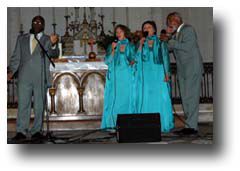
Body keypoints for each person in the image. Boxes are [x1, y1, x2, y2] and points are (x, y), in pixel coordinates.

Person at [7, 16, 59, 142]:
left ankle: (36, 130)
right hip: (24, 76)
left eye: (39, 22)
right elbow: (16, 57)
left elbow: (54, 53)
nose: (36, 24)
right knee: (23, 105)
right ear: (31, 24)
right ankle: (21, 131)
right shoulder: (22, 39)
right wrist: (10, 72)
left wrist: (52, 44)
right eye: (34, 22)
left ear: (43, 25)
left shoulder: (48, 39)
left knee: (39, 105)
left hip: (40, 76)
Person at [163, 12, 204, 135]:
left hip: (192, 68)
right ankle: (189, 126)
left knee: (191, 97)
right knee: (185, 97)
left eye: (170, 21)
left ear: (177, 19)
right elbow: (169, 48)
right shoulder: (176, 34)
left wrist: (170, 39)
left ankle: (192, 126)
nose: (169, 24)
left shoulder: (188, 29)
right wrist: (167, 38)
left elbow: (188, 46)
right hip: (183, 69)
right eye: (168, 22)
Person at [136, 20, 174, 133]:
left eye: (149, 27)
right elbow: (136, 58)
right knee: (147, 97)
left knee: (160, 97)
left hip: (158, 72)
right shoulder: (141, 42)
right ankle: (146, 124)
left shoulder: (161, 42)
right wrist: (140, 45)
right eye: (144, 27)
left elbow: (166, 58)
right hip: (146, 73)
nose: (146, 29)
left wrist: (167, 73)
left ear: (154, 30)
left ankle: (162, 123)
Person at [101, 24, 136, 131]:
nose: (118, 34)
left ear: (125, 32)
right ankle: (113, 123)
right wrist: (112, 50)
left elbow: (133, 60)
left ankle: (127, 123)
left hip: (126, 76)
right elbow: (107, 61)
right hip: (115, 77)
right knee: (114, 99)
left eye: (120, 31)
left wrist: (131, 60)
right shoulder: (112, 45)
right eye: (116, 32)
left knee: (125, 99)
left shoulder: (130, 45)